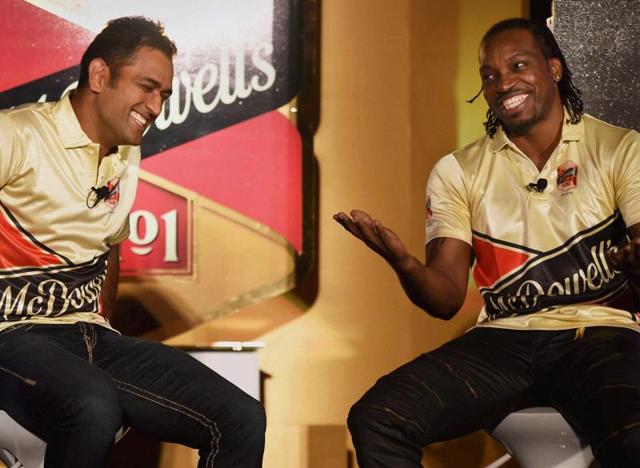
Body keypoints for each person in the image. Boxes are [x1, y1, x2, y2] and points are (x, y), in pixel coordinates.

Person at [335, 18, 640, 468]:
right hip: (504, 342)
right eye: (490, 75)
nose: (504, 83)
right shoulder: (458, 171)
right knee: (378, 417)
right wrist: (403, 263)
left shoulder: (621, 148)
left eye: (518, 65)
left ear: (554, 69)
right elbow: (444, 297)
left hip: (597, 334)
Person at [0, 16, 265, 468]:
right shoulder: (17, 133)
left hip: (88, 335)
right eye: (146, 87)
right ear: (100, 75)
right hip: (10, 336)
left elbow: (111, 245)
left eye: (163, 94)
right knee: (94, 404)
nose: (156, 106)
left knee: (240, 418)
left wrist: (99, 318)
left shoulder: (127, 152)